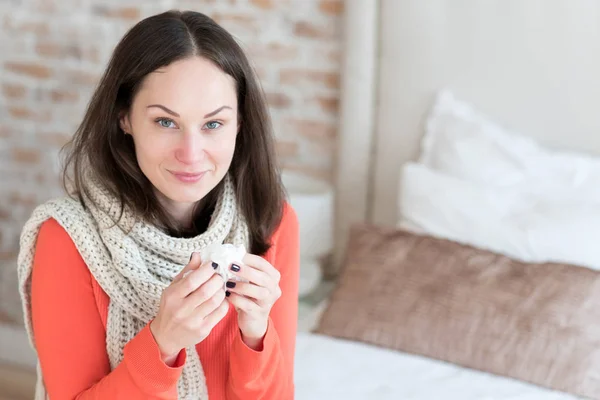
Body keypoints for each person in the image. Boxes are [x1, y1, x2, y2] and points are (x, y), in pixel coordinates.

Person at [17, 9, 299, 400]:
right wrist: (162, 344)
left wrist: (256, 334)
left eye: (213, 124)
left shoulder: (270, 220)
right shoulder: (68, 238)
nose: (191, 153)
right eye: (165, 122)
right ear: (124, 118)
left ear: (240, 124)